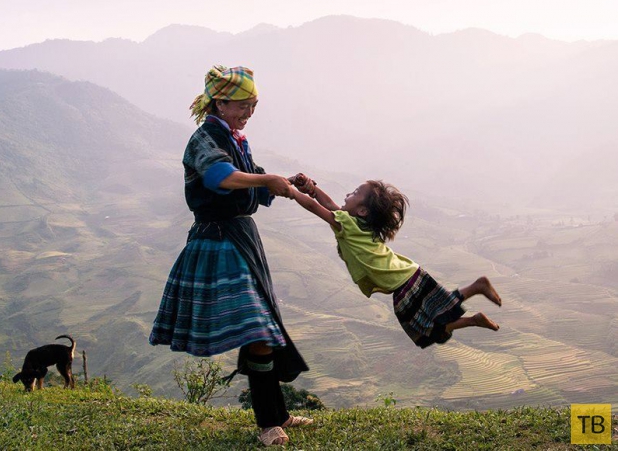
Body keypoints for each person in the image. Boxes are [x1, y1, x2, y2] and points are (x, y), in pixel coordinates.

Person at [149, 66, 311, 446]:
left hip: (242, 238)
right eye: (242, 106)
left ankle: (277, 415)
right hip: (218, 242)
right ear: (220, 103)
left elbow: (251, 180)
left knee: (263, 330)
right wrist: (266, 180)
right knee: (259, 331)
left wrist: (287, 183)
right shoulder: (204, 139)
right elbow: (221, 176)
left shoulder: (235, 139)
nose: (249, 113)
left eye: (253, 106)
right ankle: (268, 424)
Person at [287, 173, 502, 349]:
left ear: (362, 210)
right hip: (408, 274)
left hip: (402, 284)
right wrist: (312, 189)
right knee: (433, 318)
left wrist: (292, 192)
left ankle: (476, 299)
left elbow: (317, 207)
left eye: (354, 193)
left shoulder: (346, 224)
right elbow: (329, 204)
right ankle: (475, 303)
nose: (347, 195)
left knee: (428, 327)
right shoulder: (357, 223)